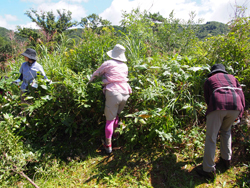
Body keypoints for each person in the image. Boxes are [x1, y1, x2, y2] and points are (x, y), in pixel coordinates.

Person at [196, 64, 245, 179]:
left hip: (218, 105)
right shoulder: (233, 78)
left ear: (213, 73)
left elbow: (208, 99)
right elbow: (241, 94)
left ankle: (208, 170)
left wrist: (212, 112)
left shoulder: (209, 80)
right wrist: (240, 114)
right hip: (236, 106)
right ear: (224, 72)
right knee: (226, 131)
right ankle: (226, 160)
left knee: (211, 137)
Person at [89, 44, 132, 154]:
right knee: (116, 115)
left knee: (109, 120)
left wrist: (89, 82)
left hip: (114, 93)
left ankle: (108, 145)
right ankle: (116, 136)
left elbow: (96, 74)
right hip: (125, 92)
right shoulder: (125, 66)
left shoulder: (108, 63)